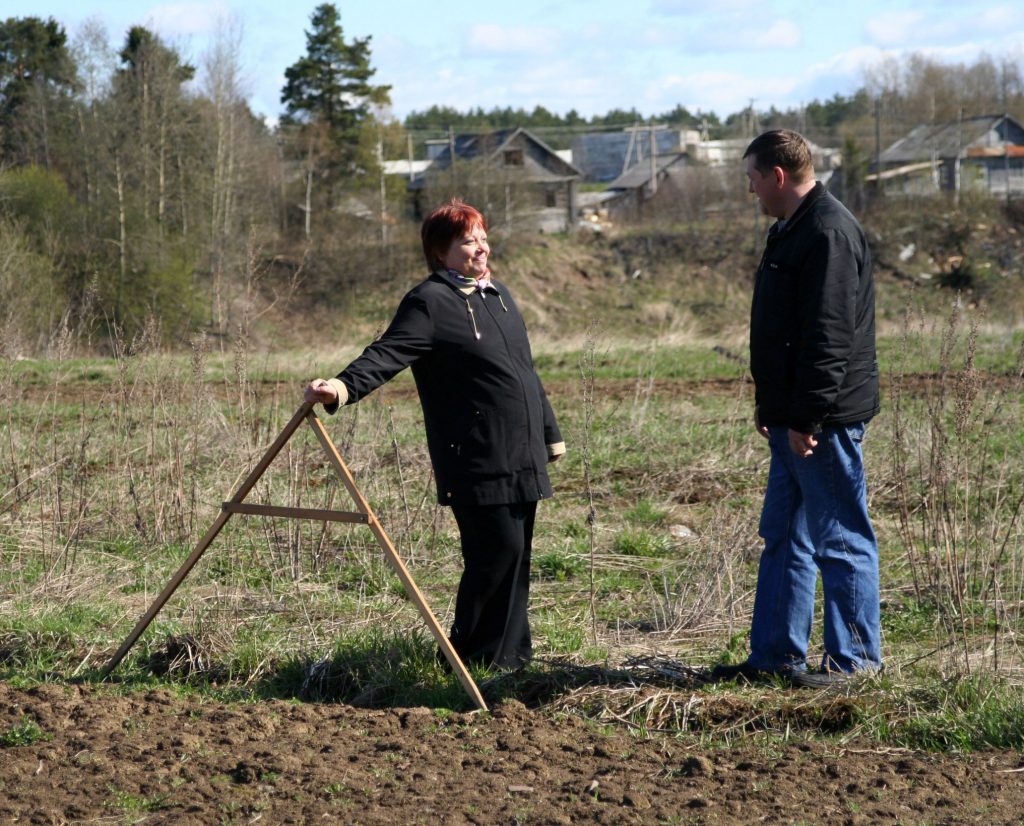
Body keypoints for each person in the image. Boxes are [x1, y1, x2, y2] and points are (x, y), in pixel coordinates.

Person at [304, 198, 564, 671]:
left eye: (483, 238)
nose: (481, 249)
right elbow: (387, 353)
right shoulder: (430, 302)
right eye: (469, 242)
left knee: (517, 555)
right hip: (476, 455)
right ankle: (469, 661)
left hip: (522, 449)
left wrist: (549, 431)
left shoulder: (498, 297)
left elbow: (524, 372)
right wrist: (340, 387)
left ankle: (511, 657)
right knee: (494, 555)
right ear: (441, 252)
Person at [713, 129, 882, 688]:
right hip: (792, 416)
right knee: (784, 534)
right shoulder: (789, 230)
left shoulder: (828, 233)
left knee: (840, 537)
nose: (751, 189)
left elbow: (829, 338)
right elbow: (782, 331)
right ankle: (775, 658)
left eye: (753, 178)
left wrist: (807, 418)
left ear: (778, 176)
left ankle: (855, 664)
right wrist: (772, 403)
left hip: (822, 421)